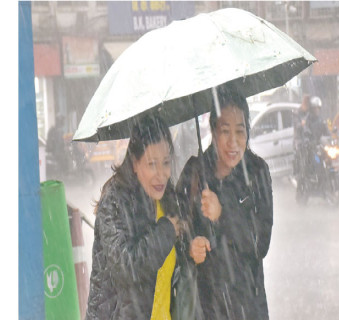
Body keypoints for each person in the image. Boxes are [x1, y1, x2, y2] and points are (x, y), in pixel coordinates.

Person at [176, 89, 274, 319]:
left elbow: (261, 242)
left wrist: (224, 212)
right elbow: (175, 226)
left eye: (240, 132)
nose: (233, 142)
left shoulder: (258, 172)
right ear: (212, 131)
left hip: (248, 306)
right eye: (225, 131)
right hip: (205, 306)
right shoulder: (194, 172)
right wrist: (189, 247)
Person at [86, 115, 183, 319]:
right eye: (151, 164)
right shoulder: (115, 201)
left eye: (166, 163)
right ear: (135, 163)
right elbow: (126, 268)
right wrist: (165, 231)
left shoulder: (169, 200)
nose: (161, 174)